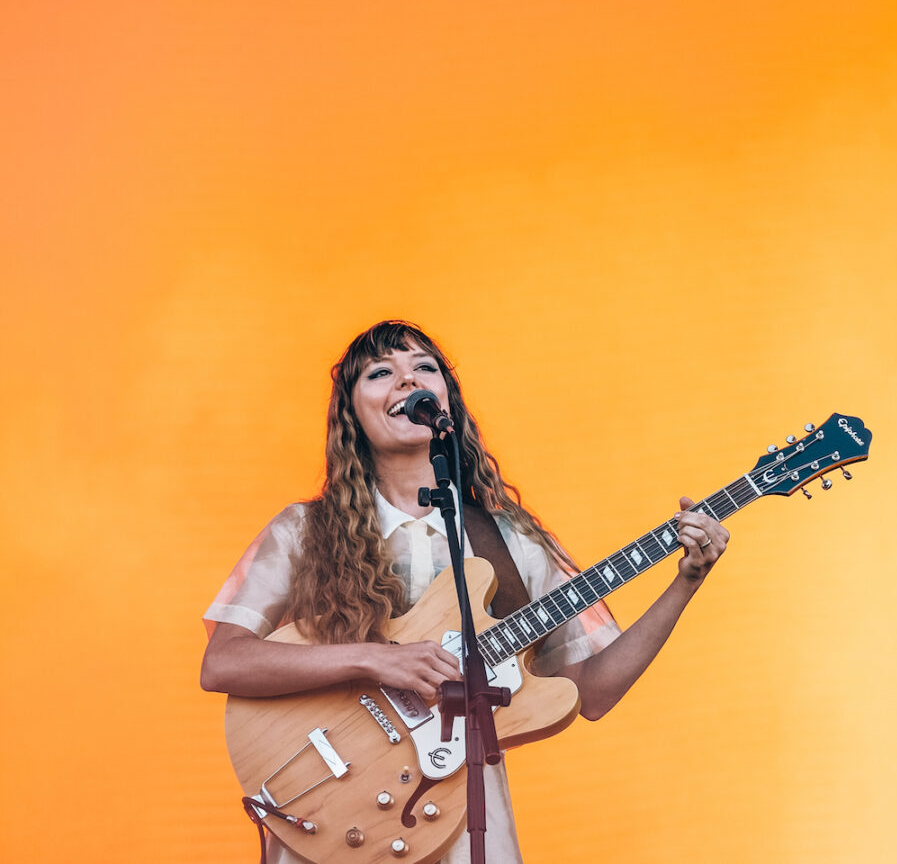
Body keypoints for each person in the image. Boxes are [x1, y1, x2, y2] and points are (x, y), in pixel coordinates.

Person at [201, 320, 729, 864]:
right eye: (381, 372)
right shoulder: (302, 531)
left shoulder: (510, 540)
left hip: (464, 816)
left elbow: (590, 693)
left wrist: (685, 582)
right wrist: (375, 660)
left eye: (424, 368)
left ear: (447, 401)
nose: (408, 380)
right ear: (351, 414)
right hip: (332, 808)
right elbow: (223, 663)